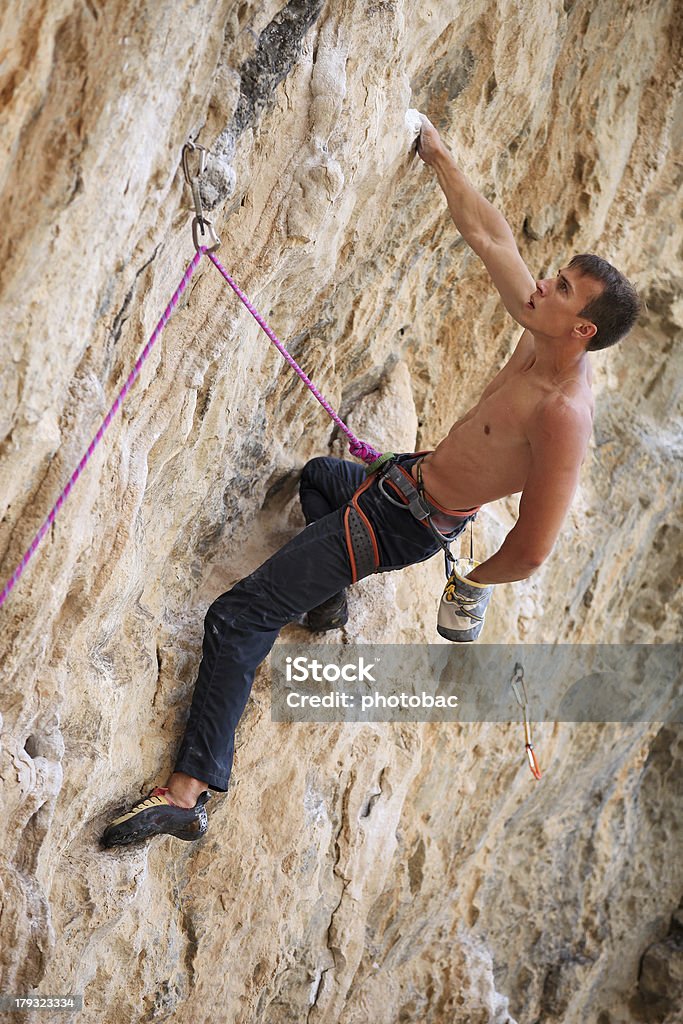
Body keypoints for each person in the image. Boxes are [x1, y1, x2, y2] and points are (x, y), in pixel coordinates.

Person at [101, 113, 640, 847]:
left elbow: (535, 544)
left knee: (239, 615)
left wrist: (471, 583)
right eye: (554, 276)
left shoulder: (561, 414)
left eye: (562, 288)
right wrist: (438, 151)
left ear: (581, 329)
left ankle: (186, 796)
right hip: (399, 485)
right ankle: (325, 608)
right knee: (322, 477)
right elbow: (491, 238)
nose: (542, 284)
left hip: (401, 524)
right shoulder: (538, 328)